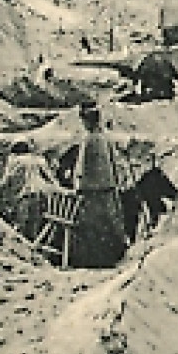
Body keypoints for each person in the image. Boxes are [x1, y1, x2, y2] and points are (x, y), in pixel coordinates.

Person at [63, 104, 130, 268]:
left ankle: (94, 260)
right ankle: (112, 256)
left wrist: (77, 185)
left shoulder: (89, 140)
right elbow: (113, 163)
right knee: (108, 224)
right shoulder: (105, 138)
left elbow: (82, 168)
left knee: (91, 226)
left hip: (91, 190)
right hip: (107, 187)